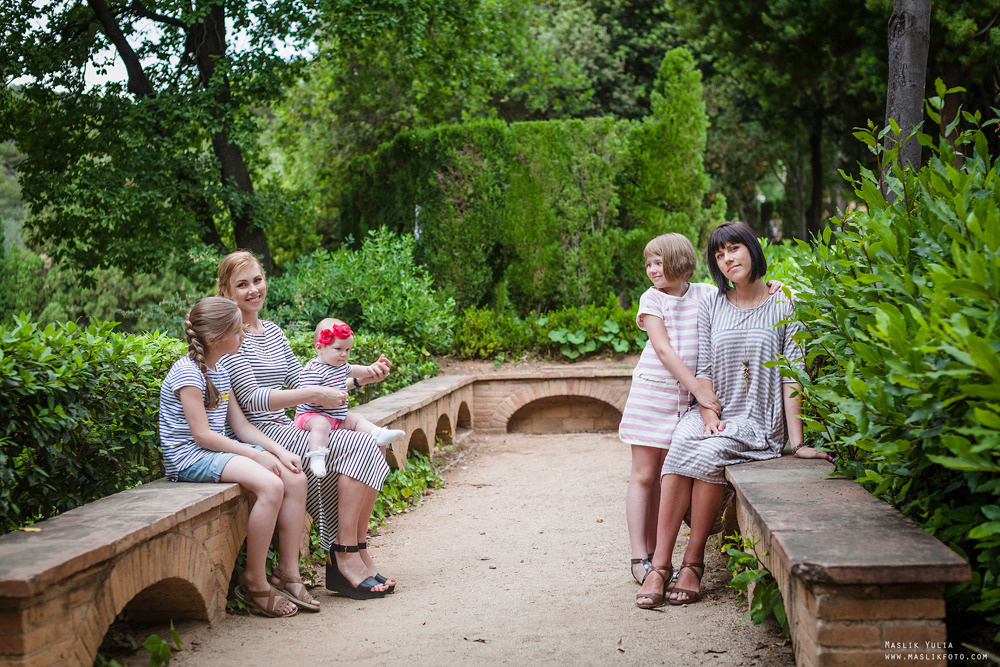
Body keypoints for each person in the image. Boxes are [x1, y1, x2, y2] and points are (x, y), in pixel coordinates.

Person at [635, 221, 827, 609]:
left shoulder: (783, 301)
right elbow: (704, 365)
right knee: (682, 443)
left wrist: (798, 442)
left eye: (734, 250)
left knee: (707, 453)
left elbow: (793, 375)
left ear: (753, 250)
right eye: (719, 256)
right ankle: (660, 566)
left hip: (757, 419)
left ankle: (693, 563)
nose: (726, 260)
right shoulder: (712, 302)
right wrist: (706, 411)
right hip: (714, 410)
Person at [216, 251, 394, 600]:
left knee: (374, 443)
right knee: (359, 444)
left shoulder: (273, 332)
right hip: (260, 433)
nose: (253, 289)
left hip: (287, 425)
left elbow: (302, 379)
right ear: (226, 291)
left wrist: (359, 380)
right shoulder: (231, 337)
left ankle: (355, 548)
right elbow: (252, 400)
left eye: (257, 280)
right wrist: (313, 392)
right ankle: (342, 556)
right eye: (242, 284)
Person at [619, 233, 780, 586]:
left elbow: (741, 294)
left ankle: (655, 552)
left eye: (657, 262)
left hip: (687, 402)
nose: (651, 270)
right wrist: (701, 392)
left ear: (679, 260)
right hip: (656, 395)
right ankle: (639, 557)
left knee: (667, 471)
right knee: (644, 474)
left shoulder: (706, 293)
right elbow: (663, 351)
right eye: (648, 264)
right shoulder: (651, 300)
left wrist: (772, 284)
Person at [159, 296, 318, 617]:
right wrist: (255, 457)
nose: (243, 338)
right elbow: (202, 436)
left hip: (212, 451)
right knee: (271, 486)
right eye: (237, 332)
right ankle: (254, 582)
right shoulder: (188, 373)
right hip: (191, 457)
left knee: (295, 476)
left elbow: (241, 426)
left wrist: (277, 450)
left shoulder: (219, 369)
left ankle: (288, 573)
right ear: (214, 338)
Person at [296, 317, 406, 478]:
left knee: (355, 418)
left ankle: (378, 433)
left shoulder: (339, 366)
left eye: (347, 350)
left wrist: (372, 370)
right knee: (321, 425)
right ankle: (316, 456)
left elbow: (354, 370)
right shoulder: (313, 369)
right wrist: (325, 396)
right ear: (320, 347)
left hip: (334, 417)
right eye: (339, 349)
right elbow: (306, 393)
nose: (344, 354)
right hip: (310, 417)